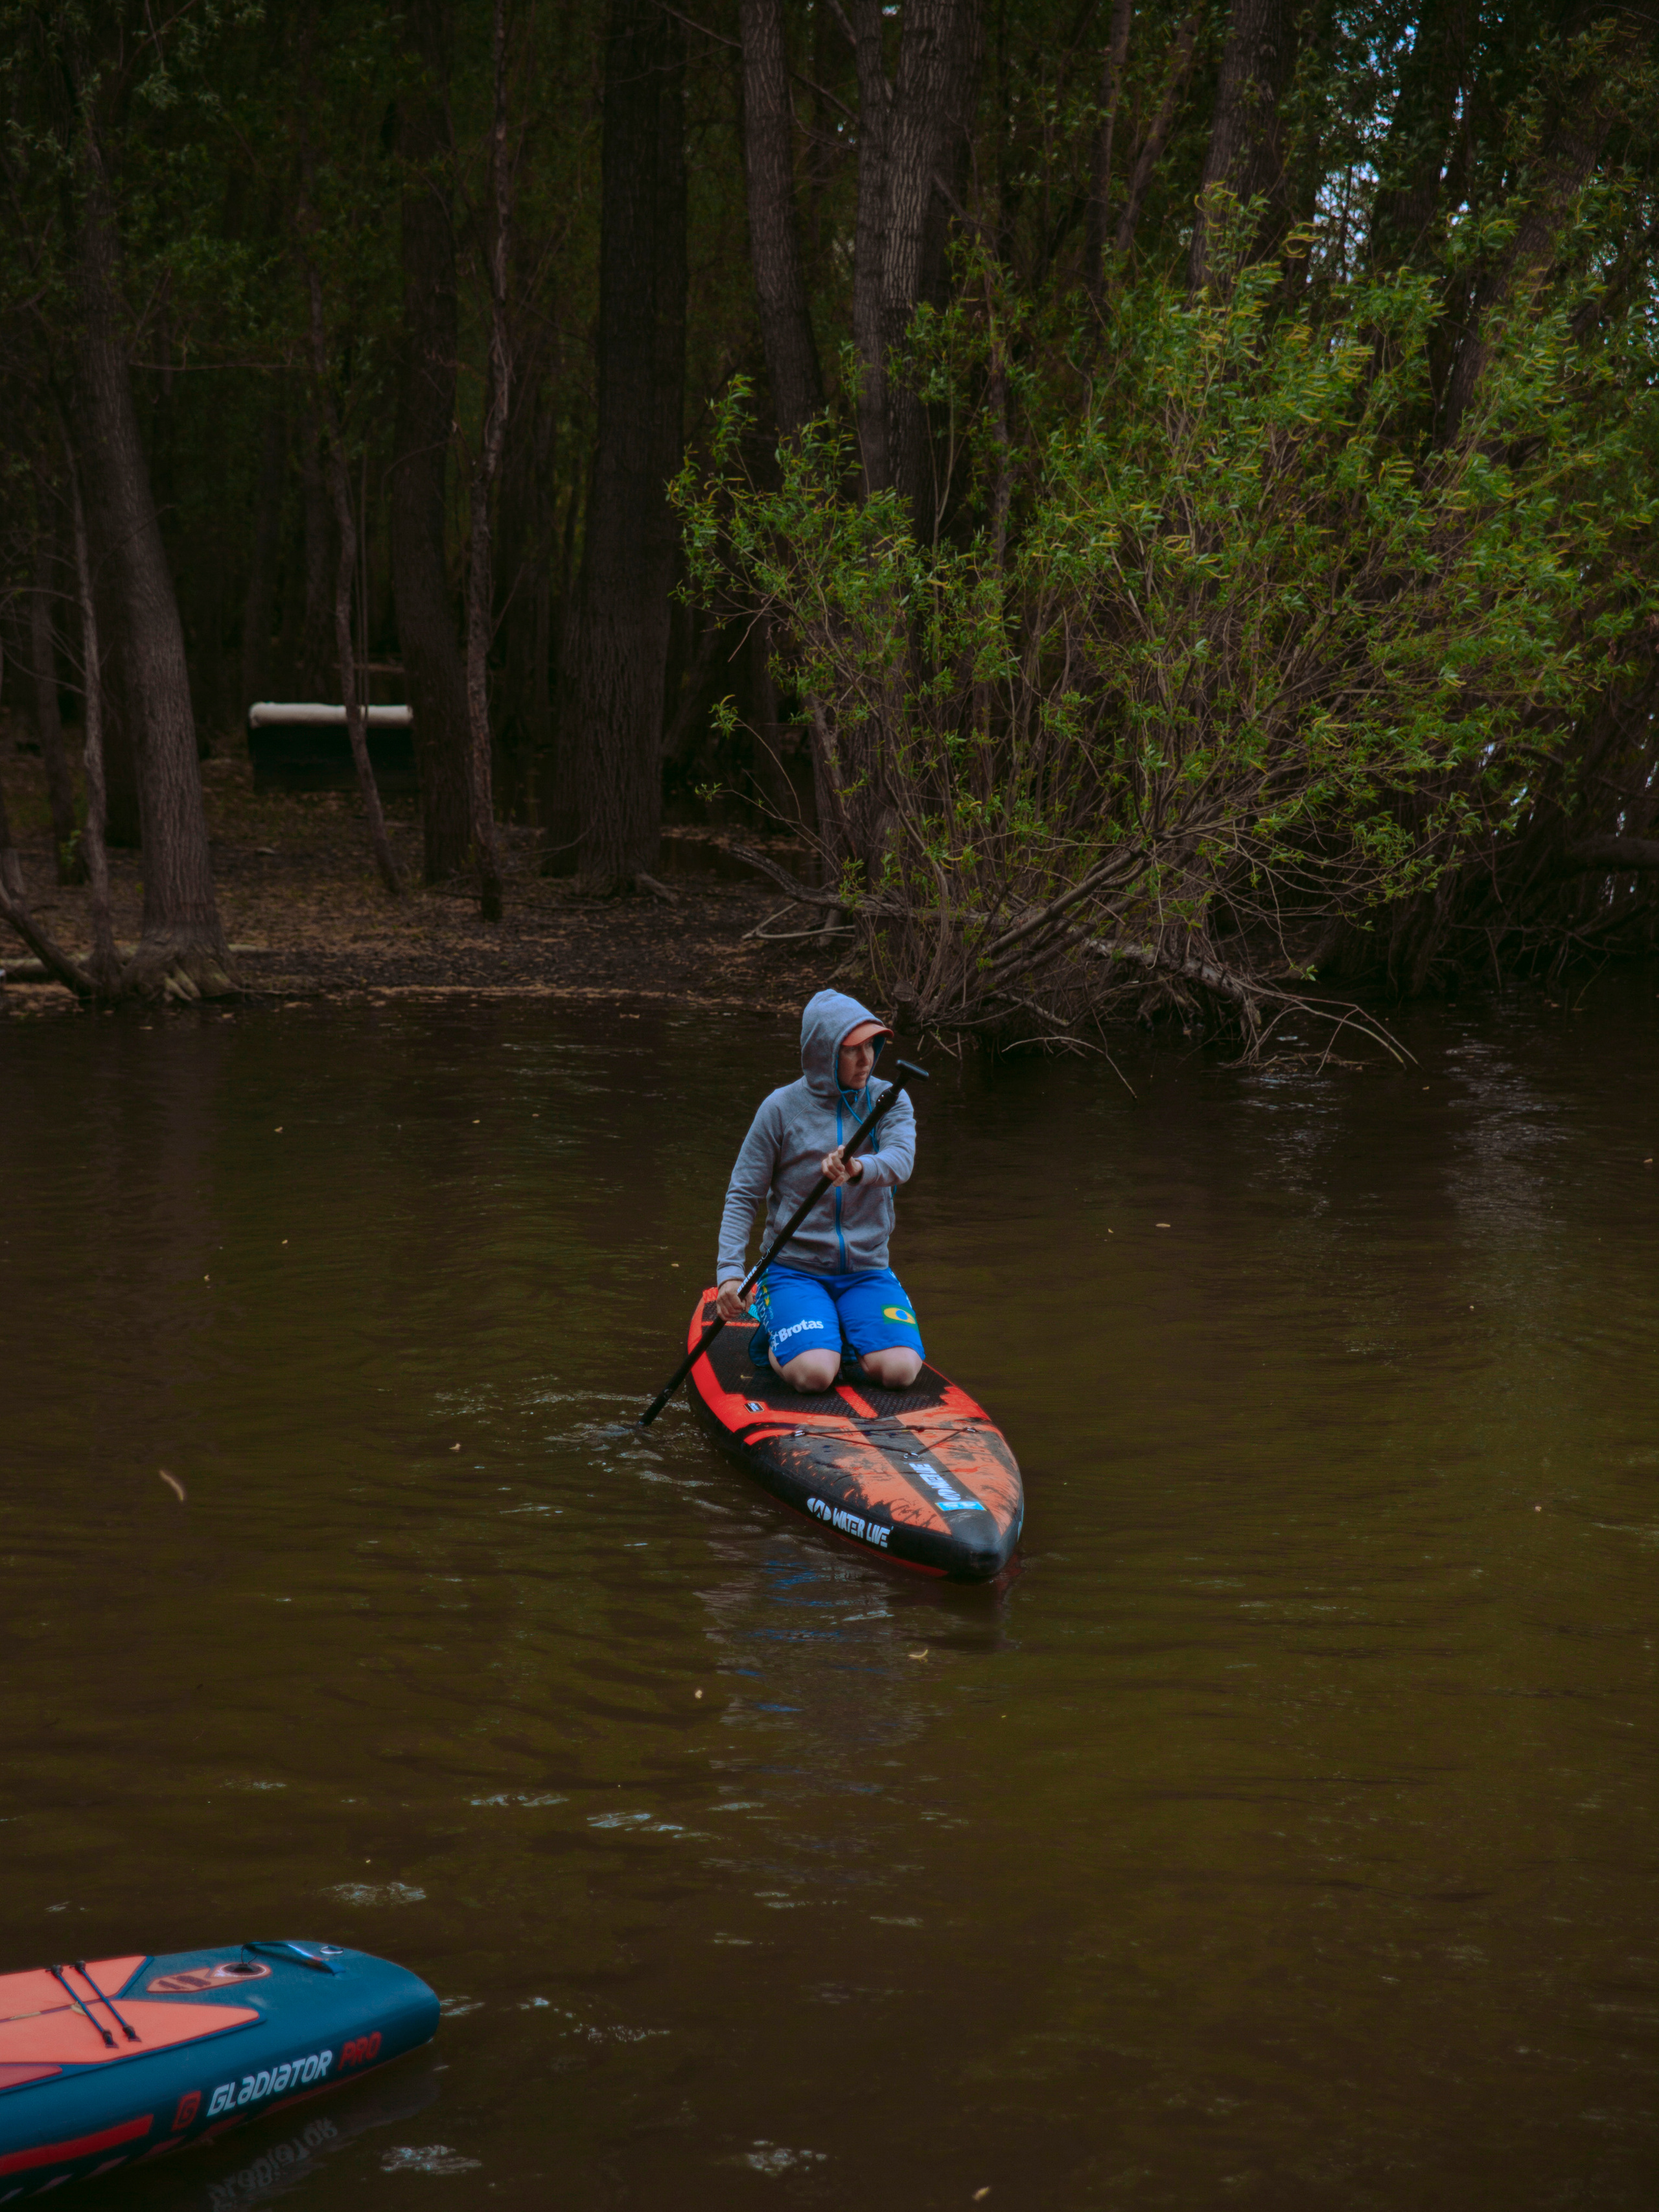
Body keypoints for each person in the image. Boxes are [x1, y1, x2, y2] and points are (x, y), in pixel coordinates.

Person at [715, 990, 923, 1393]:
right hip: (794, 1270)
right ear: (823, 1053)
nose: (866, 1060)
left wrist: (858, 1168)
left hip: (867, 1270)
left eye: (872, 1046)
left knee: (901, 1372)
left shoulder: (889, 1100)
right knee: (814, 1376)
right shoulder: (780, 1109)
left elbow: (901, 1162)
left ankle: (840, 1333)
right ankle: (780, 1337)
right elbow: (744, 1195)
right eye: (852, 1050)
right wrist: (729, 1274)